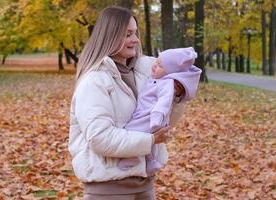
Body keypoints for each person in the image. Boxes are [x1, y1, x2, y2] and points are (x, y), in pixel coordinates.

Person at [69, 6, 189, 200]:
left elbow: (159, 124)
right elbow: (100, 137)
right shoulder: (95, 81)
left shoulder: (145, 73)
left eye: (135, 33)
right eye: (127, 34)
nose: (135, 40)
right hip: (108, 188)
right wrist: (149, 141)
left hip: (144, 183)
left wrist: (175, 97)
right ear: (110, 36)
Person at [117, 47, 202, 175]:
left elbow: (164, 102)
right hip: (148, 115)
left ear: (171, 73)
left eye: (160, 66)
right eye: (156, 62)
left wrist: (156, 118)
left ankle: (131, 156)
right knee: (152, 142)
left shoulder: (167, 84)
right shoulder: (159, 79)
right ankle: (151, 162)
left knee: (133, 129)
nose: (154, 67)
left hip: (150, 117)